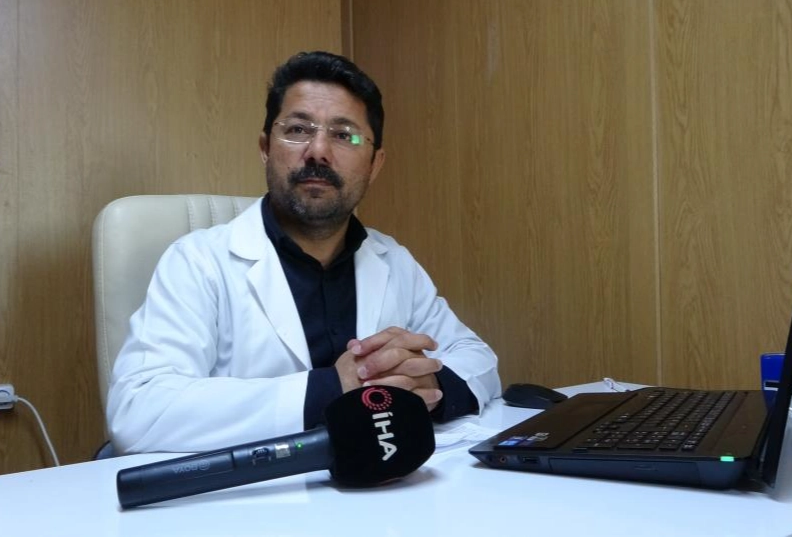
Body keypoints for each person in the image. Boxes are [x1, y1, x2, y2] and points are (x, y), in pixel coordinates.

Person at [106, 51, 501, 453]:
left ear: (375, 164)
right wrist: (334, 388)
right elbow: (140, 409)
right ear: (265, 147)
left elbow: (476, 357)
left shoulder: (393, 260)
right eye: (297, 129)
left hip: (382, 479)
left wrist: (427, 384)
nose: (318, 151)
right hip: (259, 489)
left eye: (345, 135)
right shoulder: (198, 262)